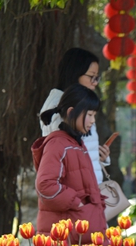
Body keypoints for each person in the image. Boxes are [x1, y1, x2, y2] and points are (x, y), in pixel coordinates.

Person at [33, 84, 108, 246]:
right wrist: (77, 203)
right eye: (89, 115)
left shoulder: (75, 143)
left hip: (76, 241)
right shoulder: (59, 144)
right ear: (72, 112)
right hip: (65, 243)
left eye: (94, 116)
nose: (92, 121)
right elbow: (45, 185)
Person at [40, 48, 112, 190]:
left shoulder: (80, 102)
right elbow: (62, 155)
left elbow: (79, 149)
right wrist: (75, 201)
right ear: (74, 73)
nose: (95, 82)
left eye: (97, 77)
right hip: (77, 193)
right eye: (91, 76)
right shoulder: (59, 104)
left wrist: (99, 158)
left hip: (89, 189)